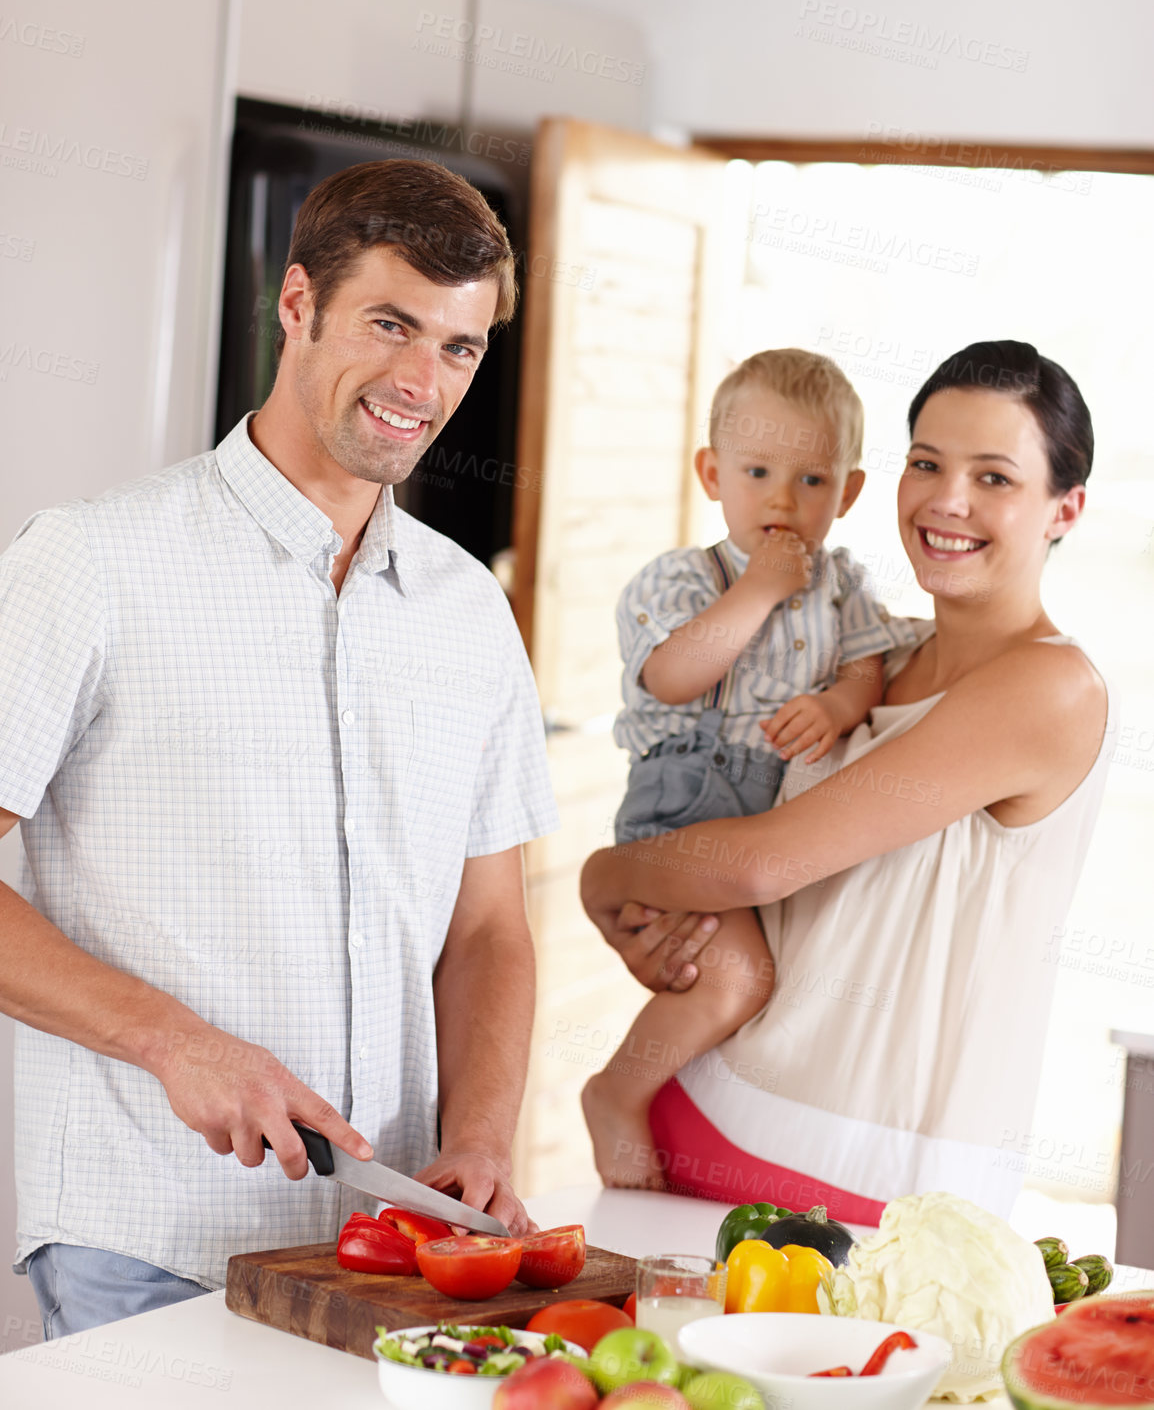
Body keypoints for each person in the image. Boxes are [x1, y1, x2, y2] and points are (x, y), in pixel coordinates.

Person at [0, 160, 557, 1337]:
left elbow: (489, 926)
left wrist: (479, 1134)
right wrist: (176, 1043)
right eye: (391, 324)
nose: (422, 380)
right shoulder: (91, 562)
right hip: (149, 1234)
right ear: (296, 304)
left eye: (458, 347)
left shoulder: (466, 611)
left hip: (386, 1254)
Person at [581, 341, 1112, 1220]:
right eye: (928, 464)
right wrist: (663, 925)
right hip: (697, 1115)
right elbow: (747, 893)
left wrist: (604, 880)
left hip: (874, 1190)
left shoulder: (1050, 687)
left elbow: (762, 864)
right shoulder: (862, 658)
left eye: (995, 478)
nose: (948, 500)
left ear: (1066, 507)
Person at [582, 350, 916, 1186]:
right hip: (688, 802)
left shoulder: (846, 586)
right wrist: (758, 591)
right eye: (759, 471)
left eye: (811, 480)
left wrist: (842, 704)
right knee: (737, 976)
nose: (781, 499)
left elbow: (869, 663)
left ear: (847, 494)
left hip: (768, 822)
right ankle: (617, 1093)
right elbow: (672, 674)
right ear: (712, 474)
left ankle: (698, 1133)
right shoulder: (685, 578)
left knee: (753, 986)